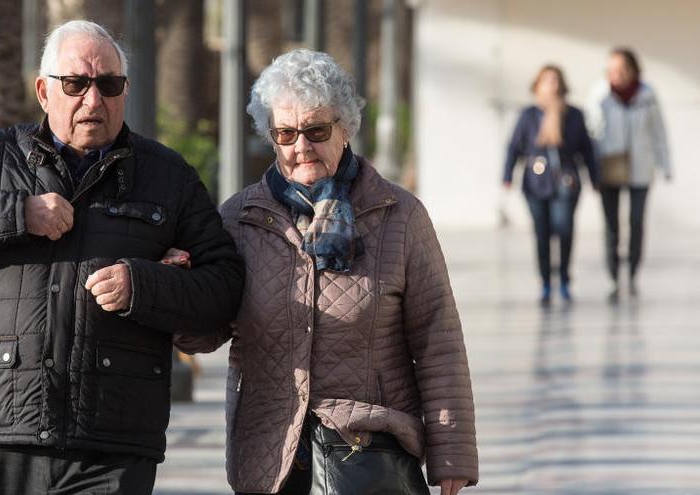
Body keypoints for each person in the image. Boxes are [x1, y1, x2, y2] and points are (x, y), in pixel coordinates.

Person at [0, 20, 244, 495]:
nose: (93, 100)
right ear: (44, 91)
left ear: (124, 91)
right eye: (76, 84)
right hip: (3, 433)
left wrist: (145, 287)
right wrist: (16, 213)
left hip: (113, 442)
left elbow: (225, 287)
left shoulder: (169, 176)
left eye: (109, 84)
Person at [172, 49, 478, 495]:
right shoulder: (239, 218)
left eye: (316, 130)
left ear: (346, 127)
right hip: (269, 457)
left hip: (370, 454)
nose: (301, 146)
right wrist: (180, 289)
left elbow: (439, 341)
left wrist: (452, 456)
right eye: (285, 133)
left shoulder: (401, 215)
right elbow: (204, 334)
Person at [503, 65, 599, 305]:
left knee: (564, 228)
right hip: (536, 182)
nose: (552, 85)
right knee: (542, 233)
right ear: (537, 86)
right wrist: (507, 175)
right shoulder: (528, 115)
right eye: (546, 80)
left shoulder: (574, 114)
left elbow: (587, 148)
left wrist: (594, 177)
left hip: (566, 180)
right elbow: (514, 146)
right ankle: (546, 282)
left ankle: (564, 279)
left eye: (556, 80)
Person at [587, 48, 671, 301]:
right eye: (612, 70)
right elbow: (590, 130)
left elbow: (658, 130)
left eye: (622, 69)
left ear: (634, 70)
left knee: (636, 221)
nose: (617, 75)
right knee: (612, 224)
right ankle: (614, 273)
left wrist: (665, 165)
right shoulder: (599, 93)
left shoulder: (647, 94)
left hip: (640, 167)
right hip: (610, 166)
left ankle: (633, 271)